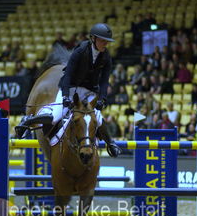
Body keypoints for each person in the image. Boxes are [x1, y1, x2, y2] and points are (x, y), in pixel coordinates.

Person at [16, 23, 122, 157]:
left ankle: (110, 144)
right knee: (55, 116)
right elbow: (68, 74)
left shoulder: (106, 57)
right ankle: (28, 120)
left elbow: (104, 81)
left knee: (97, 119)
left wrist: (102, 98)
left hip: (89, 91)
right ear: (93, 39)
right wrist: (65, 95)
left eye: (107, 41)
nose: (105, 43)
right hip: (71, 87)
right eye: (102, 40)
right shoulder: (81, 50)